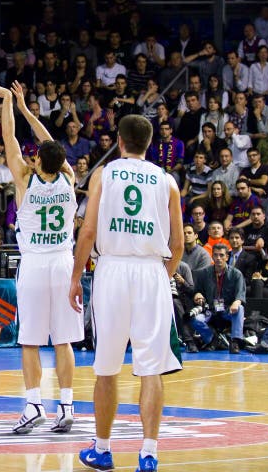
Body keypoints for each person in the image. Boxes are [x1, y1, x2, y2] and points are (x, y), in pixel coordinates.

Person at [70, 114, 183, 472]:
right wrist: (159, 278)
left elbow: (87, 233)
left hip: (113, 269)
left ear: (119, 141)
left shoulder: (104, 175)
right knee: (151, 369)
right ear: (149, 144)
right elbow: (178, 245)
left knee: (106, 367)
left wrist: (75, 278)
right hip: (152, 270)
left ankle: (102, 449)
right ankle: (148, 453)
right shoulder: (168, 182)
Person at [0, 81, 83, 434]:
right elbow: (49, 144)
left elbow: (10, 140)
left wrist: (11, 103)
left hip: (35, 264)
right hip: (64, 263)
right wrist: (29, 110)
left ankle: (33, 405)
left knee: (29, 340)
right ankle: (68, 405)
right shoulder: (69, 178)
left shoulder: (26, 179)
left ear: (38, 158)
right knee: (64, 340)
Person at [190, 244, 247, 354]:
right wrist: (197, 295)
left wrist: (237, 302)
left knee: (239, 308)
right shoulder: (204, 273)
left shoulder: (236, 274)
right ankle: (212, 339)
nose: (218, 258)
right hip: (210, 310)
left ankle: (235, 341)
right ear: (212, 256)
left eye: (221, 255)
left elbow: (240, 294)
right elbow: (197, 291)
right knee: (195, 319)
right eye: (215, 255)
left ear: (227, 257)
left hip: (227, 310)